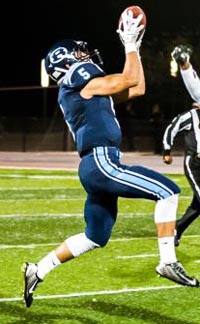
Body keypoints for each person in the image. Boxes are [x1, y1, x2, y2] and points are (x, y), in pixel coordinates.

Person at [22, 11, 199, 308]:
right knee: (168, 191)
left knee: (96, 236)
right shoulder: (79, 83)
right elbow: (129, 77)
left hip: (95, 165)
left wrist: (136, 49)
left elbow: (136, 86)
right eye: (78, 53)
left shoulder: (90, 90)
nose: (85, 55)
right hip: (101, 161)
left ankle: (37, 270)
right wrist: (129, 43)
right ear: (66, 62)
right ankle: (167, 261)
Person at [162, 45, 200, 246]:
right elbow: (195, 87)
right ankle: (183, 60)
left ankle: (176, 230)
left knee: (198, 203)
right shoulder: (191, 115)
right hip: (195, 161)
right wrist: (184, 65)